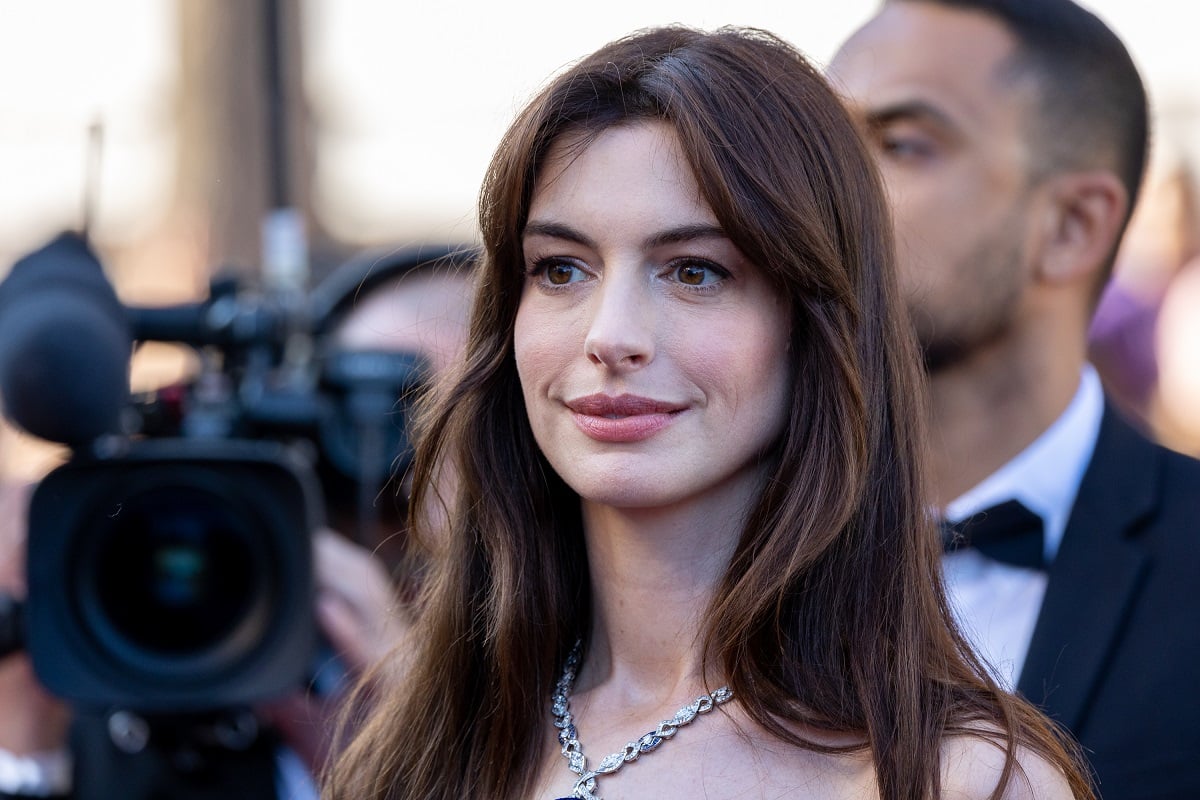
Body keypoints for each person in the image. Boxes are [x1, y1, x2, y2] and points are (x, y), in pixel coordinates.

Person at [322, 25, 1093, 800]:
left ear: (816, 323)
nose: (610, 336)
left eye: (694, 271)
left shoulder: (959, 779)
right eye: (561, 269)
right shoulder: (420, 748)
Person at [828, 1, 1200, 796]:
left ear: (1071, 224)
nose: (829, 189)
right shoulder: (710, 553)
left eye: (900, 144)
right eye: (821, 143)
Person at [0, 245, 475, 800]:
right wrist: (24, 752)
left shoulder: (570, 714)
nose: (434, 473)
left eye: (476, 419)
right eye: (390, 415)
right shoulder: (110, 662)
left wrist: (424, 754)